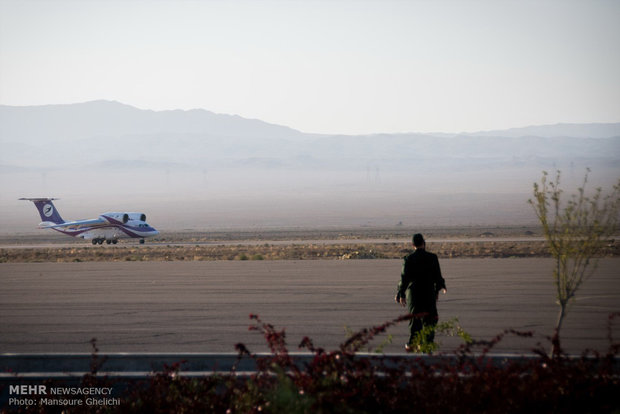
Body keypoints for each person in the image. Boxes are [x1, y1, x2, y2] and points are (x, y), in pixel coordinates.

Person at [395, 233, 446, 352]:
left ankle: (413, 343)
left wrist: (400, 293)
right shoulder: (432, 257)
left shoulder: (408, 259)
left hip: (414, 295)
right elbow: (437, 276)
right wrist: (440, 287)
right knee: (430, 320)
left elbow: (404, 279)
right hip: (428, 293)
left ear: (412, 245)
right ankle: (427, 344)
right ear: (424, 243)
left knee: (415, 320)